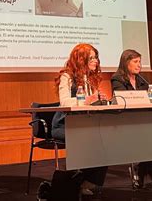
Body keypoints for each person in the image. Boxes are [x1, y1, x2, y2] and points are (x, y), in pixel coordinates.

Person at [51, 43, 108, 196]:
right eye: (92, 58)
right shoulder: (67, 76)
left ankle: (87, 182)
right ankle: (81, 181)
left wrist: (100, 99)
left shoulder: (91, 78)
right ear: (81, 60)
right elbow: (64, 102)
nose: (96, 61)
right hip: (65, 125)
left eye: (96, 57)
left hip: (86, 124)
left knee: (107, 140)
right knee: (93, 139)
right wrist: (87, 100)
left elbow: (91, 103)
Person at [111, 49, 152, 189]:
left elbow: (149, 99)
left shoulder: (142, 79)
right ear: (126, 62)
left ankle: (143, 169)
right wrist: (150, 95)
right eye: (135, 62)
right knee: (146, 134)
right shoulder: (117, 78)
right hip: (125, 121)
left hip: (142, 120)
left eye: (140, 62)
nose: (139, 65)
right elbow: (124, 99)